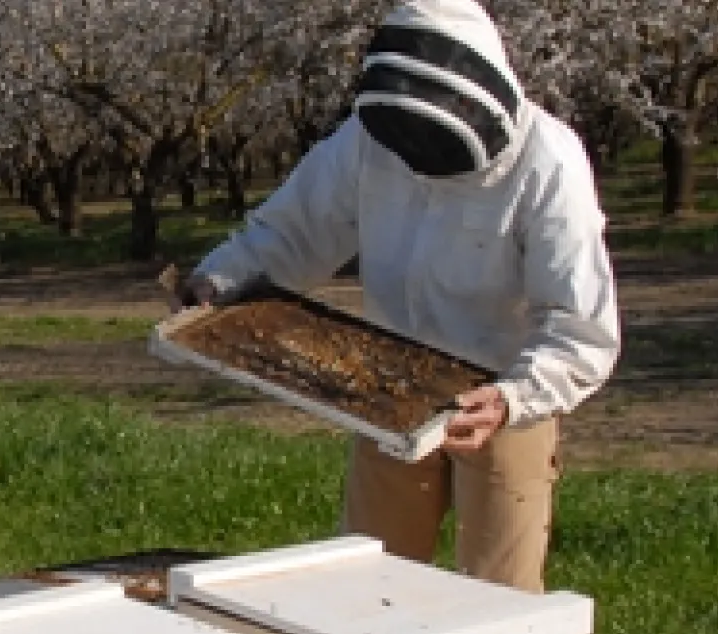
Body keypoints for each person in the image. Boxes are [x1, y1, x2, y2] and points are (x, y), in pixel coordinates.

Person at [168, 0, 622, 594]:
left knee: (504, 602)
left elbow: (579, 323)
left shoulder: (549, 163)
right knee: (368, 584)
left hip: (505, 397)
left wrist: (514, 399)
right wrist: (221, 280)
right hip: (387, 394)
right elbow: (297, 229)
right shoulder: (369, 140)